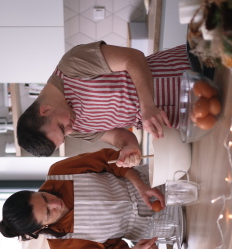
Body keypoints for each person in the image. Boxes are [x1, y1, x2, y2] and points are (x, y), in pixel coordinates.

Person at [17, 41, 194, 166]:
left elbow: (133, 58)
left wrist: (147, 106)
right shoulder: (75, 129)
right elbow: (119, 137)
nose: (70, 130)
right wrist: (129, 147)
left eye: (62, 128)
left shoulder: (72, 66)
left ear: (46, 110)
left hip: (188, 72)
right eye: (65, 136)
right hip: (189, 118)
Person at [0, 148, 165, 249]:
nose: (55, 203)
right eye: (49, 213)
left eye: (44, 197)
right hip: (165, 226)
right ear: (40, 227)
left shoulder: (60, 172)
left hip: (158, 179)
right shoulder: (63, 247)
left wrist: (141, 186)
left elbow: (110, 159)